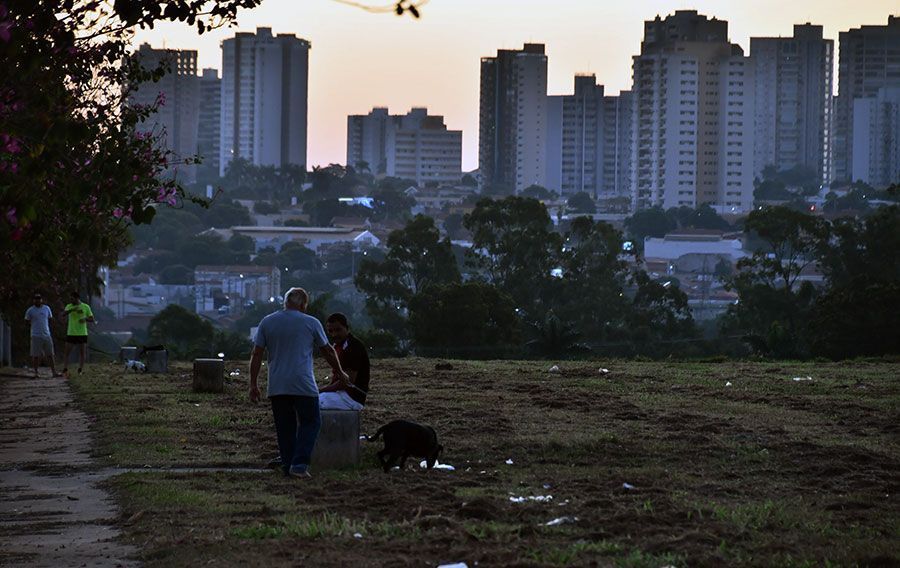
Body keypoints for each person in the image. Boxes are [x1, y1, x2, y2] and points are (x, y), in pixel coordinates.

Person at [249, 287, 349, 479]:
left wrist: (253, 384)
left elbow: (257, 354)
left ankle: (288, 465)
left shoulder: (267, 322)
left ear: (285, 302)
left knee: (284, 427)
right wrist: (340, 372)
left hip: (277, 385)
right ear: (304, 304)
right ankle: (300, 463)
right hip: (303, 384)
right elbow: (327, 350)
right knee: (311, 421)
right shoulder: (311, 322)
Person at [319, 313, 370, 411]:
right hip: (341, 394)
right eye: (330, 331)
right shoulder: (338, 346)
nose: (334, 334)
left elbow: (347, 382)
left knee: (312, 403)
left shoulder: (353, 347)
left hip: (352, 398)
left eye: (338, 330)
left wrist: (321, 390)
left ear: (347, 328)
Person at [24, 293, 60, 378]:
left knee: (50, 354)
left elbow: (50, 319)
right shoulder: (30, 310)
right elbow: (26, 321)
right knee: (36, 355)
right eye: (36, 299)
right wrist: (33, 327)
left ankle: (54, 372)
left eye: (39, 299)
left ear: (41, 300)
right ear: (34, 300)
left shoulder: (47, 308)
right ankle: (36, 373)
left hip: (46, 334)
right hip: (35, 335)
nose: (38, 300)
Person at [62, 291, 94, 375]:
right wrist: (72, 310)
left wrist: (85, 319)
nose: (71, 300)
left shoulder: (85, 307)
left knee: (82, 352)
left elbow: (92, 319)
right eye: (70, 299)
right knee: (66, 352)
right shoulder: (69, 306)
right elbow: (63, 314)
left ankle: (80, 369)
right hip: (71, 332)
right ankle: (65, 368)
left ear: (77, 298)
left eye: (72, 299)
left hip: (82, 333)